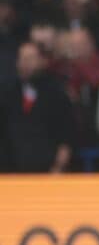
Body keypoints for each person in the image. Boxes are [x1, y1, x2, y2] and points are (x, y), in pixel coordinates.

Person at [0, 41, 75, 173]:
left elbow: (67, 134)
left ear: (42, 61)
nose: (25, 63)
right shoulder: (7, 93)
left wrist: (59, 166)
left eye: (30, 58)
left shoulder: (57, 93)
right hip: (10, 171)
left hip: (47, 170)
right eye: (22, 58)